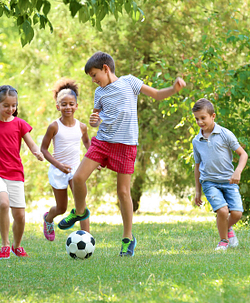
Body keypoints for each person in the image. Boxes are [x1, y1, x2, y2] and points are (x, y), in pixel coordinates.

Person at [58, 51, 186, 257]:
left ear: (106, 69)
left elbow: (156, 94)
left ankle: (128, 239)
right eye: (90, 77)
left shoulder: (130, 82)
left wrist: (173, 89)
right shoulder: (99, 93)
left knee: (123, 192)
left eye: (94, 75)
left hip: (126, 145)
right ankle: (79, 211)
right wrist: (94, 122)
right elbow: (98, 118)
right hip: (102, 142)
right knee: (78, 178)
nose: (93, 80)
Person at [192, 98, 248, 251]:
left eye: (203, 118)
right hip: (209, 182)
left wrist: (238, 171)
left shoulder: (225, 134)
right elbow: (197, 166)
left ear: (213, 116)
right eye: (197, 118)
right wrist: (198, 191)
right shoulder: (196, 141)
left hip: (229, 181)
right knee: (222, 211)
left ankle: (227, 228)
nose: (200, 122)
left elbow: (243, 155)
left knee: (237, 213)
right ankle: (223, 241)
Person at [41, 78, 92, 241]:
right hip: (58, 170)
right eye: (64, 104)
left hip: (76, 171)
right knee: (62, 208)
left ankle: (87, 237)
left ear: (76, 106)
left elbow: (86, 142)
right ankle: (48, 219)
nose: (68, 107)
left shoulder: (82, 127)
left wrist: (93, 159)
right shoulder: (54, 126)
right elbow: (44, 149)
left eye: (71, 104)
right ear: (58, 106)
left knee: (81, 204)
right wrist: (58, 165)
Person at [0, 85, 44, 259]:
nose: (11, 109)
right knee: (3, 204)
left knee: (19, 216)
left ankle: (16, 245)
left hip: (15, 172)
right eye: (6, 106)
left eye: (14, 105)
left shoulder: (19, 123)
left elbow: (31, 143)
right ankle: (4, 245)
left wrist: (37, 151)